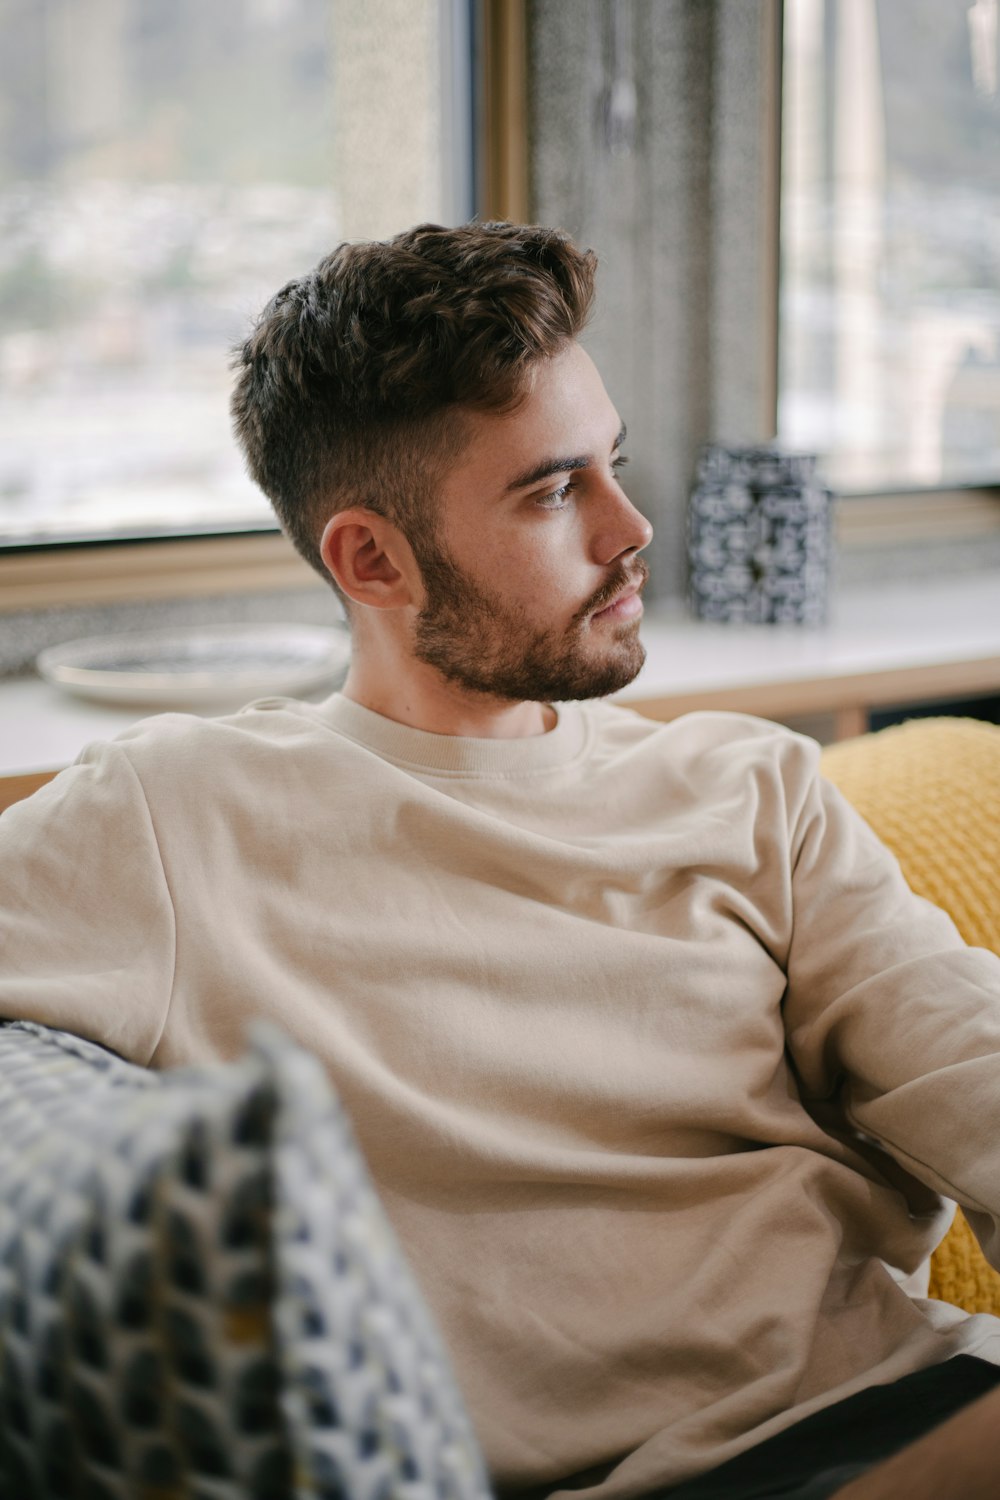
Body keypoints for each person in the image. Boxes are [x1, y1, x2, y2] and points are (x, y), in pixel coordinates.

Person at [2, 220, 1000, 1500]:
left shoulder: (753, 790)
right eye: (550, 491)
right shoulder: (172, 815)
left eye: (615, 465)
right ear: (372, 558)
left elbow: (967, 1063)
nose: (631, 527)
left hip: (922, 1400)